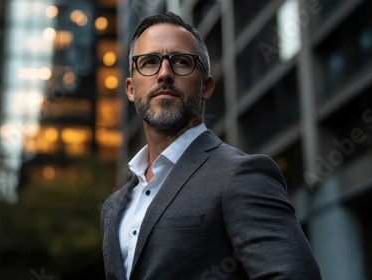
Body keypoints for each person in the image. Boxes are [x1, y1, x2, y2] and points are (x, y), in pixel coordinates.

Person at [100, 12, 322, 280]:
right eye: (149, 62)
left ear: (206, 86)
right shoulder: (113, 207)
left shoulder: (242, 175)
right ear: (131, 88)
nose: (165, 74)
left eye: (182, 62)